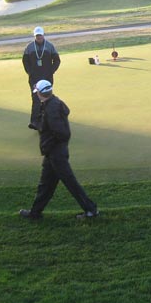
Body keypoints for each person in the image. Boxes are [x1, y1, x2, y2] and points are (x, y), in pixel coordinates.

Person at [19, 79, 99, 221]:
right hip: (52, 153)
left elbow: (62, 133)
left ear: (40, 93)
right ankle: (35, 213)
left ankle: (91, 210)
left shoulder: (51, 108)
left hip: (56, 154)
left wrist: (49, 143)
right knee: (45, 185)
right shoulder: (52, 103)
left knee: (70, 183)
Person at [22, 26, 61, 130]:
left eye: (40, 35)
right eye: (37, 36)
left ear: (43, 35)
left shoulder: (50, 46)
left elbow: (57, 60)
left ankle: (47, 121)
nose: (39, 37)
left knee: (46, 99)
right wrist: (30, 72)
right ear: (35, 36)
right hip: (34, 78)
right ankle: (34, 122)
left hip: (47, 78)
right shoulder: (29, 47)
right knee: (36, 98)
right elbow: (25, 61)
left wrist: (51, 71)